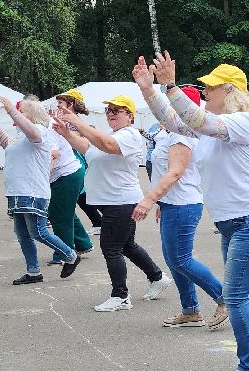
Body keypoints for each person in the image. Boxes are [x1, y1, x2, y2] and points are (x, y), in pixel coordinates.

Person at [137, 55, 249, 371]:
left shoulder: (241, 121)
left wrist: (169, 85)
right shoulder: (211, 127)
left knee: (236, 294)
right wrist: (149, 91)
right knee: (245, 291)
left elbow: (194, 117)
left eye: (210, 87)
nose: (205, 92)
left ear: (228, 91)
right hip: (236, 223)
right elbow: (173, 121)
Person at [53, 92, 166, 312]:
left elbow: (106, 145)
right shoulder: (111, 134)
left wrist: (75, 121)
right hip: (113, 201)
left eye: (117, 110)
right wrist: (67, 133)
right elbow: (88, 148)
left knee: (111, 247)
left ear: (130, 116)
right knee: (126, 245)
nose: (111, 114)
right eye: (108, 110)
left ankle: (121, 296)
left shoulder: (129, 135)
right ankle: (157, 277)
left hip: (120, 201)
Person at [133, 84, 227, 330]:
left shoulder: (182, 134)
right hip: (173, 204)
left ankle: (223, 297)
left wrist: (149, 199)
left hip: (184, 204)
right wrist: (161, 202)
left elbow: (175, 171)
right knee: (174, 260)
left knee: (181, 260)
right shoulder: (167, 132)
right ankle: (191, 310)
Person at [0, 98, 80, 284]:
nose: (17, 113)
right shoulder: (20, 136)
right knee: (23, 233)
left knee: (38, 232)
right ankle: (33, 272)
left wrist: (11, 110)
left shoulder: (40, 131)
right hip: (18, 191)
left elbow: (32, 130)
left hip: (33, 192)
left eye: (22, 111)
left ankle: (70, 255)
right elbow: (6, 143)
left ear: (32, 115)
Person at [43, 91, 94, 266]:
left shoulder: (72, 122)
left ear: (70, 105)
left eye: (60, 105)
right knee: (65, 210)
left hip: (70, 168)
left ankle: (65, 252)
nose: (57, 108)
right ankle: (82, 243)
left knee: (59, 214)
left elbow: (81, 140)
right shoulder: (61, 122)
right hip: (70, 169)